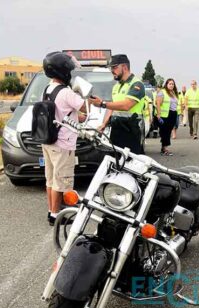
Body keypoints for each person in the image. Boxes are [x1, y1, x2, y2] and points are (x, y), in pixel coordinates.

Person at [41, 52, 87, 226]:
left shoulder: (48, 89)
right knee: (63, 181)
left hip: (49, 141)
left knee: (51, 179)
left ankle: (51, 211)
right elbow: (85, 107)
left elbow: (61, 113)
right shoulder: (67, 93)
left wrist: (77, 117)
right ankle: (58, 215)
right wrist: (82, 93)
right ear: (63, 71)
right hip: (63, 144)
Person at [90, 54, 145, 154]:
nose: (112, 71)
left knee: (131, 163)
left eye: (115, 67)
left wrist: (102, 103)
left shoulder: (137, 84)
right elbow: (112, 107)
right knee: (116, 161)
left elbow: (126, 105)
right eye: (111, 68)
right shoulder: (116, 86)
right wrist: (104, 124)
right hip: (117, 129)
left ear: (124, 67)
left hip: (131, 129)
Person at [156, 78, 179, 156]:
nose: (171, 85)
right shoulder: (162, 92)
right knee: (164, 132)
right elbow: (158, 104)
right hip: (164, 115)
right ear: (166, 84)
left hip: (173, 114)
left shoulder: (173, 93)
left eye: (173, 84)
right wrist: (159, 115)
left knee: (168, 131)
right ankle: (164, 149)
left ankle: (164, 147)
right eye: (170, 84)